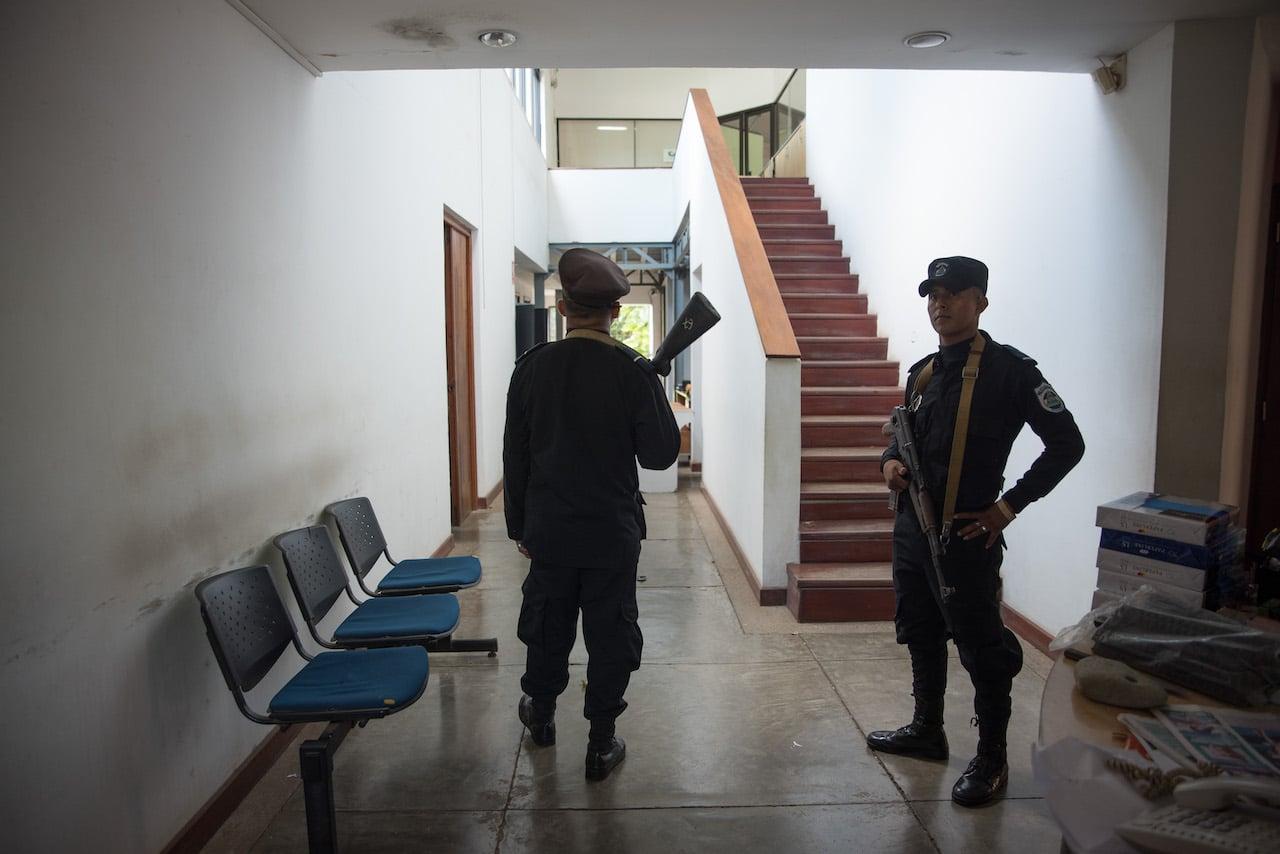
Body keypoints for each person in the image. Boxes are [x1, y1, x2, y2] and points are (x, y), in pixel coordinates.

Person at [869, 256, 1085, 806]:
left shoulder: (1012, 372)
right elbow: (902, 439)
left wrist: (1008, 507)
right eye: (932, 294)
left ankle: (992, 757)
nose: (939, 304)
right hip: (912, 531)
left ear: (981, 301)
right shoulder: (923, 372)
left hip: (966, 539)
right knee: (919, 629)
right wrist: (889, 463)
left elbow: (1068, 444)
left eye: (953, 293)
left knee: (982, 648)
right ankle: (927, 729)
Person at [503, 248, 681, 781]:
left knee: (546, 626)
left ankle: (541, 715)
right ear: (616, 312)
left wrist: (520, 528)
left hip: (550, 533)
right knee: (610, 634)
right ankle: (600, 743)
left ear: (561, 306)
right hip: (611, 535)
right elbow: (659, 454)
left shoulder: (532, 368)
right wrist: (655, 386)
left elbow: (515, 456)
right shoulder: (631, 370)